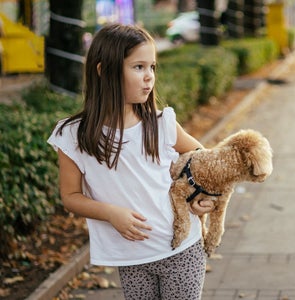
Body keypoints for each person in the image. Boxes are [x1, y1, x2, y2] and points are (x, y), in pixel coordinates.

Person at [47, 23, 214, 300]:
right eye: (138, 67)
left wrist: (200, 195)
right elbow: (71, 196)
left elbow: (204, 162)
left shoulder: (162, 123)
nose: (149, 77)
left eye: (152, 67)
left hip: (182, 249)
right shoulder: (72, 135)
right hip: (131, 256)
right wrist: (111, 213)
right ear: (103, 71)